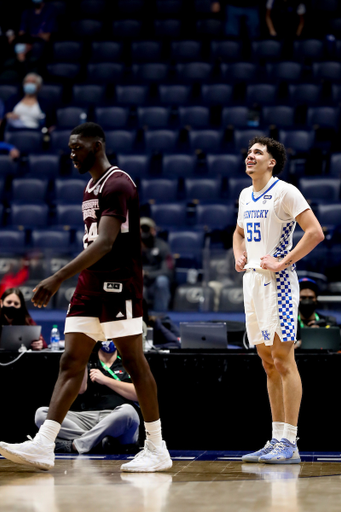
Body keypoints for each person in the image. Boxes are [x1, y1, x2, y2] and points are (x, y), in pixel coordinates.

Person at [0, 122, 172, 473]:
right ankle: (44, 444)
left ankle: (157, 447)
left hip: (119, 286)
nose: (72, 153)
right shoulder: (89, 186)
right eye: (70, 148)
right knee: (70, 362)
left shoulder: (118, 183)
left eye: (77, 147)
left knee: (135, 363)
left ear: (96, 145)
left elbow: (106, 242)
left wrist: (58, 277)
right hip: (89, 287)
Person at [233, 136, 324, 464]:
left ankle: (290, 441)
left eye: (257, 152)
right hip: (252, 281)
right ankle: (275, 439)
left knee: (283, 360)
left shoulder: (285, 191)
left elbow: (315, 232)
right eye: (248, 152)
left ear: (272, 161)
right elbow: (239, 232)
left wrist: (284, 260)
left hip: (279, 283)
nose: (250, 156)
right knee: (267, 362)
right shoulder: (245, 194)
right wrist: (238, 253)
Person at [35, 340, 141, 454]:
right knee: (42, 414)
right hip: (87, 419)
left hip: (116, 419)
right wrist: (84, 355)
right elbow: (80, 389)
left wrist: (105, 380)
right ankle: (98, 442)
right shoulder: (88, 360)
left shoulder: (128, 361)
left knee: (129, 412)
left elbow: (138, 395)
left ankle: (76, 445)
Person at [140, 217, 174, 312]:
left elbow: (167, 271)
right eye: (142, 228)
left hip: (154, 282)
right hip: (139, 282)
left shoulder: (162, 246)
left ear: (153, 231)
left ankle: (160, 316)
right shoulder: (130, 246)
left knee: (162, 281)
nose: (144, 232)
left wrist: (146, 274)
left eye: (147, 228)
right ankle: (139, 318)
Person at [296, 277, 338, 343]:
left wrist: (321, 332)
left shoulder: (329, 323)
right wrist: (303, 341)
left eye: (310, 298)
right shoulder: (289, 325)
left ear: (316, 299)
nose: (307, 301)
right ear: (297, 299)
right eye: (303, 297)